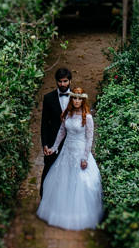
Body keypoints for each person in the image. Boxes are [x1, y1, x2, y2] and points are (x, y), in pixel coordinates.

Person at [35, 87, 104, 230]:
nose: (77, 101)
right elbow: (61, 132)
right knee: (62, 181)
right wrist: (53, 148)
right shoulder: (68, 114)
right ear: (71, 99)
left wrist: (85, 158)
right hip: (66, 151)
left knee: (81, 183)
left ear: (83, 100)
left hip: (80, 153)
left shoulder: (88, 117)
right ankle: (61, 212)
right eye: (74, 98)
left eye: (80, 98)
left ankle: (79, 216)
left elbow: (89, 139)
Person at [40, 68, 72, 196]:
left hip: (71, 141)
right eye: (60, 81)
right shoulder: (48, 98)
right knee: (48, 170)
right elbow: (44, 124)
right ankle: (44, 197)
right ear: (56, 82)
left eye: (65, 81)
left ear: (70, 81)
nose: (63, 84)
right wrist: (45, 144)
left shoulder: (77, 97)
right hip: (53, 141)